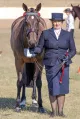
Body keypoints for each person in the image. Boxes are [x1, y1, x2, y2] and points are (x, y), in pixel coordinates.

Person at [33, 13, 76, 117]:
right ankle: (53, 112)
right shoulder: (46, 33)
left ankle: (60, 112)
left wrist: (68, 56)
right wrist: (35, 50)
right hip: (50, 64)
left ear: (62, 23)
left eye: (58, 22)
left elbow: (73, 50)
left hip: (63, 64)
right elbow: (40, 46)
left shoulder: (68, 34)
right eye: (55, 22)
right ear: (52, 22)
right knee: (53, 88)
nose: (56, 23)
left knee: (62, 88)